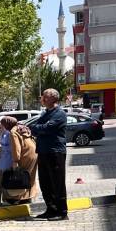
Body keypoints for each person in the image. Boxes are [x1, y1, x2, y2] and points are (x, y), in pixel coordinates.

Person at [30, 88, 68, 220]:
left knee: (57, 182)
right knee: (45, 183)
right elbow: (36, 128)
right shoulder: (45, 113)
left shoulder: (60, 113)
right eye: (42, 97)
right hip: (43, 151)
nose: (42, 99)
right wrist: (35, 128)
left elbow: (47, 128)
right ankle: (51, 209)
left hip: (55, 152)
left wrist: (36, 128)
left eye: (45, 97)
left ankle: (61, 212)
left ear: (53, 98)